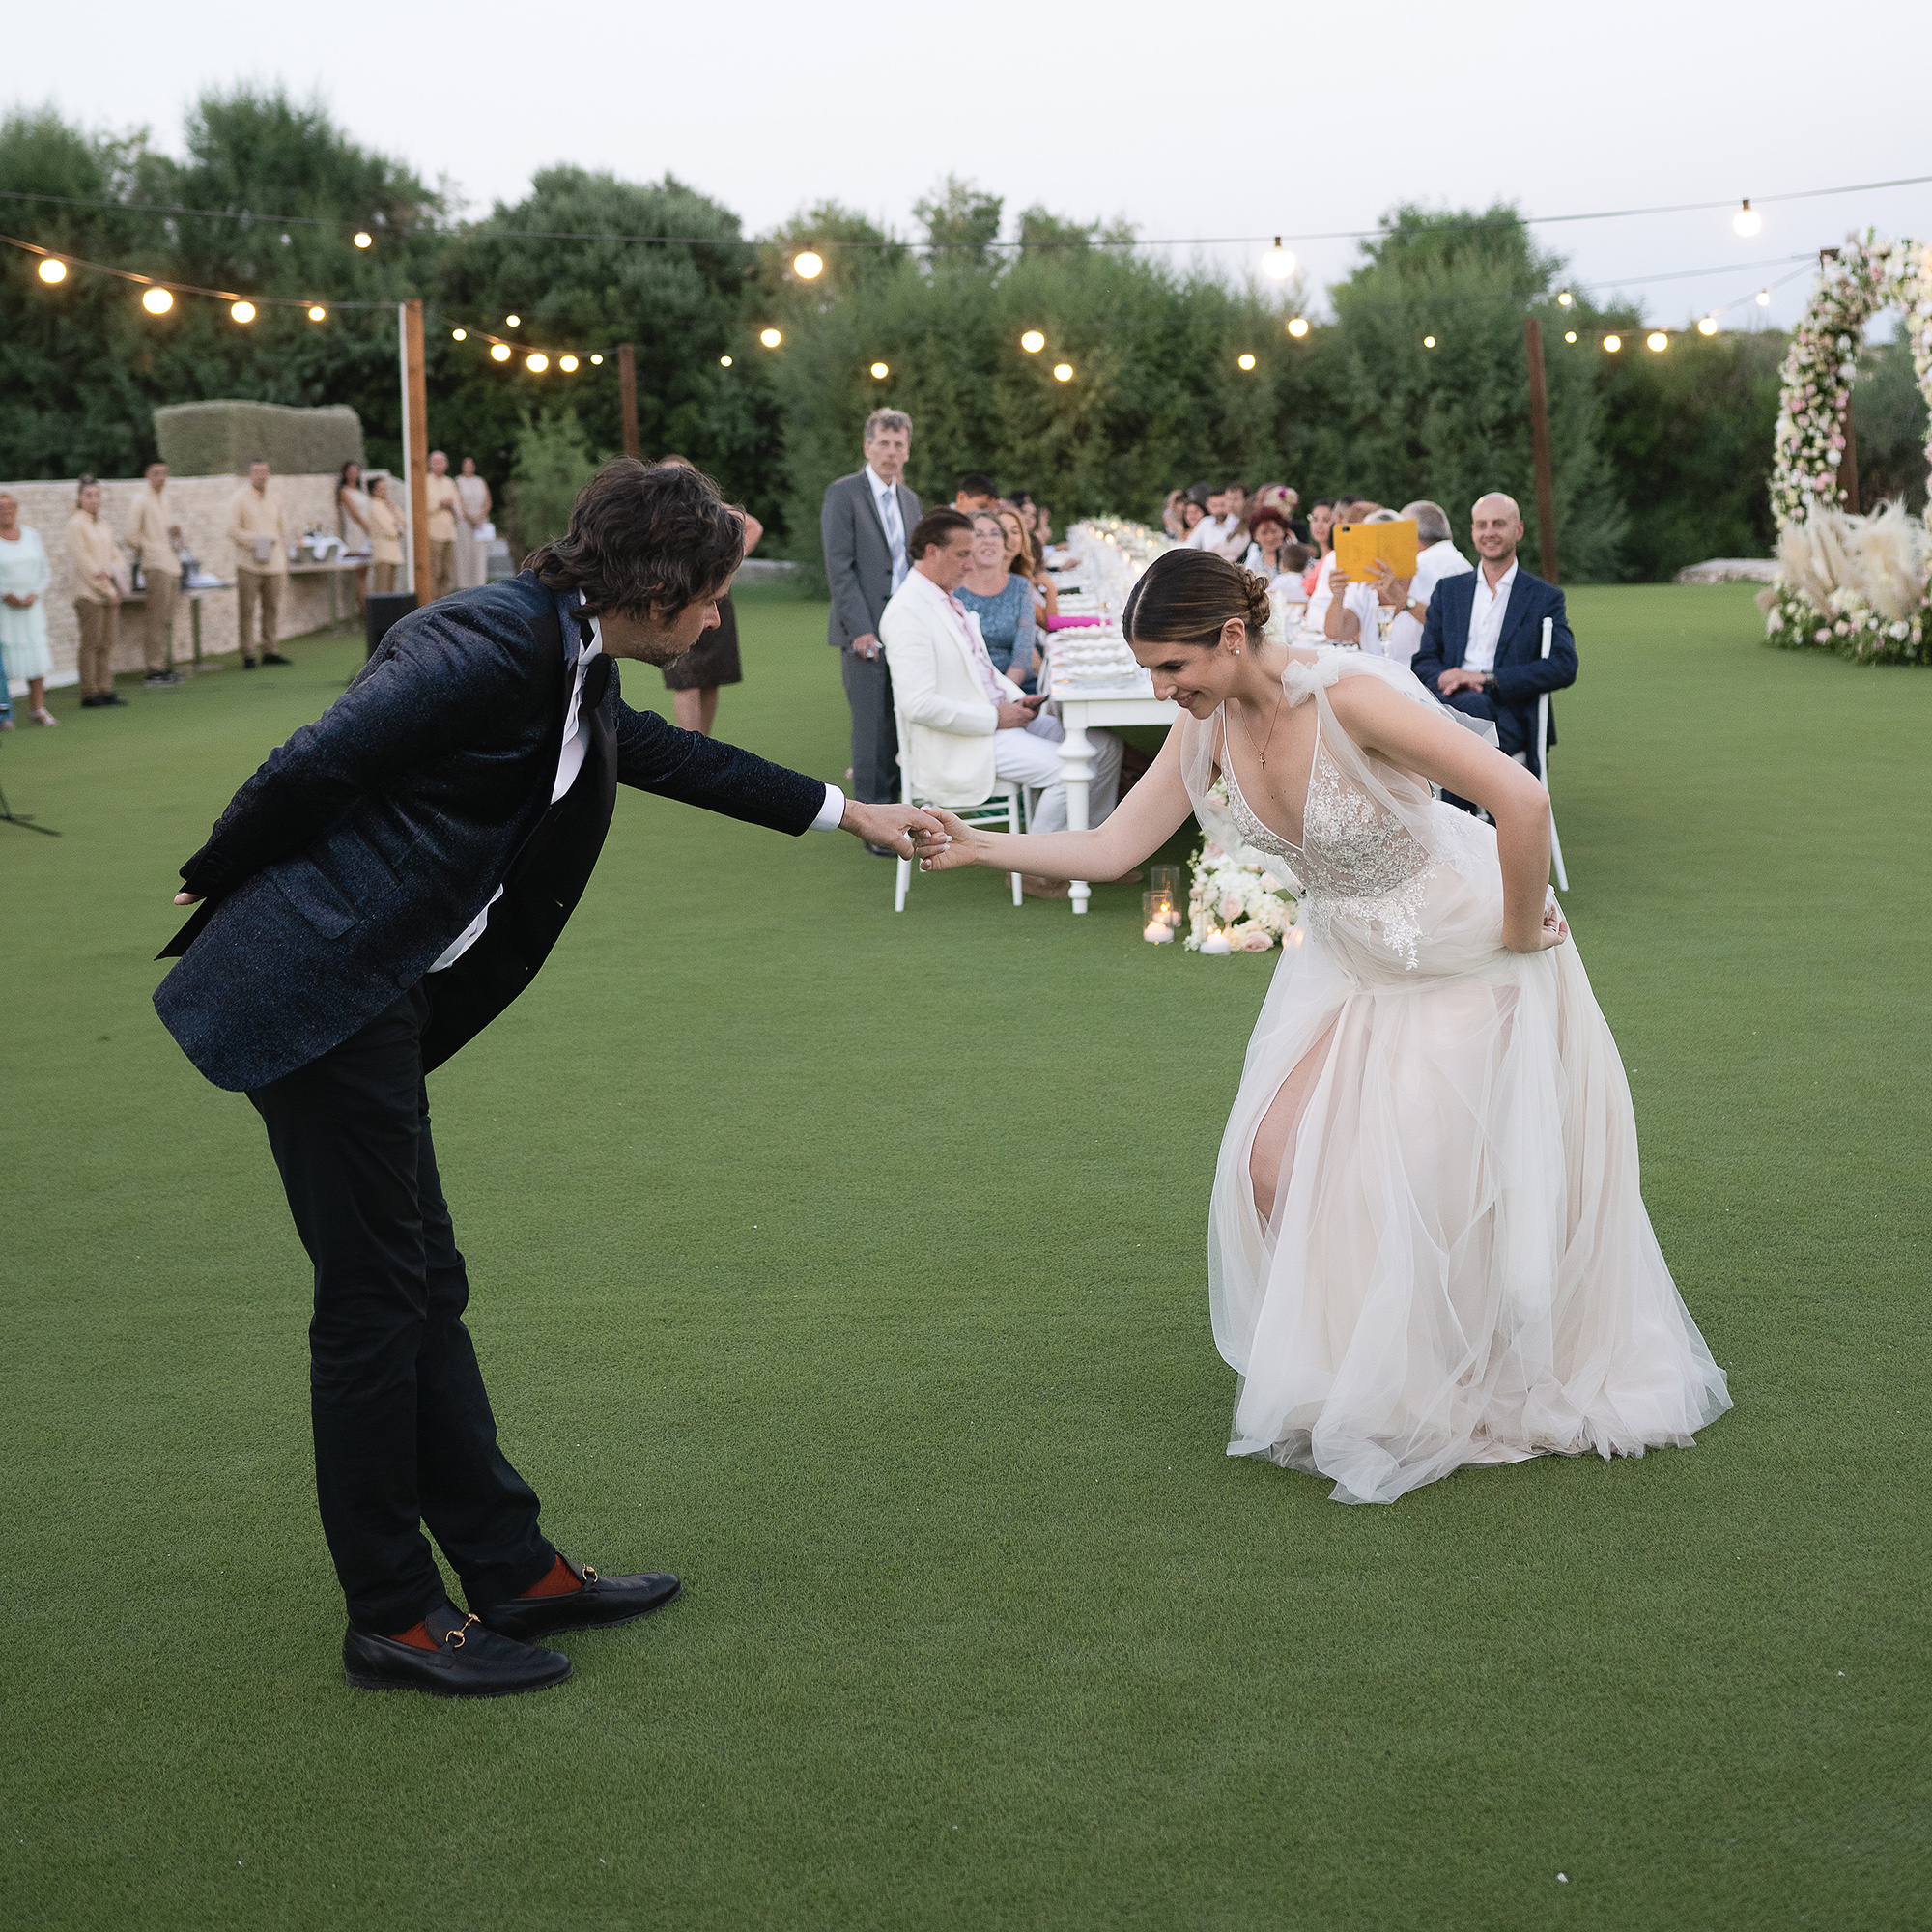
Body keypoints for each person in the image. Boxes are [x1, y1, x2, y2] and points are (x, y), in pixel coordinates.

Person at [153, 458, 939, 1697]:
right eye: (717, 596)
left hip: (375, 991)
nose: (719, 619)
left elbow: (654, 757)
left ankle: (510, 1565)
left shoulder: (569, 653)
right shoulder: (486, 639)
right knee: (373, 1303)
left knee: (422, 1280)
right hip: (318, 990)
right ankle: (393, 1614)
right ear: (665, 589)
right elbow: (324, 751)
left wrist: (850, 811)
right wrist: (222, 863)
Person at [911, 548, 1729, 1503]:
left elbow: (1521, 797)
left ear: (1228, 635)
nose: (1159, 688)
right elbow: (1110, 844)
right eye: (1147, 669)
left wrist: (1515, 937)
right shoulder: (1205, 728)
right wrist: (979, 845)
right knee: (1271, 1163)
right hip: (1350, 963)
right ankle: (1372, 1368)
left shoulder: (1346, 698)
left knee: (1415, 1172)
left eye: (1170, 666)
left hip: (1467, 954)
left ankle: (1458, 1382)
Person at [881, 508, 1121, 901]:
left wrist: (1015, 699)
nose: (970, 563)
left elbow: (983, 670)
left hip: (996, 721)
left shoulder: (944, 599)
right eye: (962, 554)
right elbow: (918, 706)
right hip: (961, 740)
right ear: (931, 551)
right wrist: (995, 718)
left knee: (1105, 746)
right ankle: (1029, 870)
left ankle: (1089, 851)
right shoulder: (907, 611)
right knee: (1070, 769)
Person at [1411, 493, 1575, 786]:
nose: (1489, 533)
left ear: (1518, 530)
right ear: (1472, 531)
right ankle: (1472, 821)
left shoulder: (1544, 597)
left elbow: (1563, 665)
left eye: (1498, 524)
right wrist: (1452, 677)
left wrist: (1486, 678)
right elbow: (1423, 661)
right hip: (1451, 705)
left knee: (1469, 715)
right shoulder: (1449, 591)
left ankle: (1460, 822)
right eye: (1481, 525)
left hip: (1508, 714)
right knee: (1467, 710)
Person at [820, 408, 923, 835]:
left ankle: (903, 812)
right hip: (863, 630)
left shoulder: (911, 499)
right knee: (871, 729)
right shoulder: (844, 494)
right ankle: (870, 824)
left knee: (903, 722)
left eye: (899, 445)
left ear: (908, 451)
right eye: (883, 443)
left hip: (907, 631)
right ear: (867, 446)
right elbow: (839, 567)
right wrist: (861, 628)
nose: (891, 452)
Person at [656, 454, 753, 736]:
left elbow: (752, 526)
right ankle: (690, 748)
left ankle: (704, 744)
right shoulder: (651, 514)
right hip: (675, 601)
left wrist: (726, 564)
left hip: (714, 600)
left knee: (711, 677)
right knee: (685, 680)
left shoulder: (711, 509)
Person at [125, 461, 186, 688]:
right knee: (156, 618)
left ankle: (162, 664)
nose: (161, 477)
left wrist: (175, 534)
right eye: (156, 473)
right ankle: (155, 667)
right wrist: (151, 549)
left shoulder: (165, 500)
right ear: (147, 475)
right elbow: (130, 536)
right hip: (156, 564)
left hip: (171, 563)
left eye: (164, 473)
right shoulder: (141, 500)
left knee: (166, 618)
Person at [956, 510, 1037, 685]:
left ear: (1003, 542)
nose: (989, 541)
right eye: (979, 535)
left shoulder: (1020, 587)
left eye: (995, 534)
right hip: (969, 691)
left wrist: (1003, 696)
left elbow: (1023, 655)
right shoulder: (953, 591)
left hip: (1017, 689)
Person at [67, 477, 126, 708]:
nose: (93, 500)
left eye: (97, 495)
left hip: (107, 591)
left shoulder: (103, 526)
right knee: (91, 642)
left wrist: (112, 574)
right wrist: (106, 587)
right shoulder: (76, 525)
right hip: (88, 594)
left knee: (106, 642)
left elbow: (116, 557)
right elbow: (84, 563)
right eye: (88, 495)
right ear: (80, 498)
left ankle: (105, 688)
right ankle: (89, 692)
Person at [229, 460, 293, 668]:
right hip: (249, 564)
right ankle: (248, 653)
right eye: (256, 472)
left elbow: (281, 530)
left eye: (264, 472)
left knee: (272, 608)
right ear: (249, 474)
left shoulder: (276, 499)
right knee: (247, 610)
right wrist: (256, 541)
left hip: (274, 563)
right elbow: (232, 530)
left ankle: (270, 650)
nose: (260, 476)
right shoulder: (239, 499)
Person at [0, 492, 56, 727]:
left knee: (36, 654)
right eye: (2, 508)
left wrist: (34, 593)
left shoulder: (32, 536)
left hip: (31, 607)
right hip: (5, 608)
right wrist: (5, 594)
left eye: (10, 506)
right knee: (7, 659)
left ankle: (38, 708)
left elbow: (44, 571)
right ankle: (5, 713)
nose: (7, 511)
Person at [425, 451, 463, 601]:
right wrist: (439, 504)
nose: (438, 465)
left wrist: (452, 506)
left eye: (441, 462)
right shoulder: (425, 481)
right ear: (429, 464)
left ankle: (444, 602)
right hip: (434, 533)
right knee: (435, 571)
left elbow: (458, 505)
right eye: (435, 462)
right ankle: (432, 603)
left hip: (449, 532)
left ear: (446, 464)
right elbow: (422, 508)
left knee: (447, 572)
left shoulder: (450, 483)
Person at [337, 461, 373, 618]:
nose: (353, 474)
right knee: (359, 570)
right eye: (350, 471)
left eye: (355, 471)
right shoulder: (344, 491)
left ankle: (364, 606)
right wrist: (368, 527)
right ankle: (362, 609)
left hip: (366, 532)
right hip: (356, 532)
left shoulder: (361, 490)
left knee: (365, 571)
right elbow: (354, 513)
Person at [455, 458, 492, 590]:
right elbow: (458, 502)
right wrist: (471, 517)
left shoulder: (480, 481)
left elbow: (488, 501)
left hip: (481, 522)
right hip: (465, 522)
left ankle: (480, 583)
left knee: (480, 553)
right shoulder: (458, 481)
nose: (468, 467)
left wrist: (480, 516)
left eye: (470, 465)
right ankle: (465, 585)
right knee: (465, 553)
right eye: (466, 464)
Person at [365, 477, 405, 593]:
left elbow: (404, 522)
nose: (384, 491)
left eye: (385, 489)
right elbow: (390, 530)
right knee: (382, 589)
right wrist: (397, 527)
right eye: (380, 489)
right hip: (382, 552)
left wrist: (394, 509)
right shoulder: (374, 507)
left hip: (393, 552)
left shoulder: (387, 506)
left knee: (391, 590)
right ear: (373, 490)